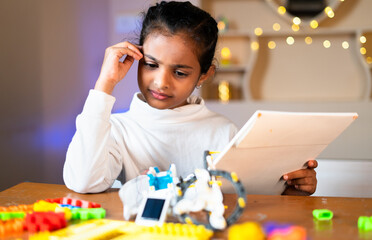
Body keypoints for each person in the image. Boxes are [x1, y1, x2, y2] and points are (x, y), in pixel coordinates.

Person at [63, 1, 317, 196]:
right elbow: (84, 182)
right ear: (137, 58)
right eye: (151, 64)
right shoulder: (118, 129)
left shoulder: (225, 133)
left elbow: (252, 199)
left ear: (204, 75)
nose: (161, 82)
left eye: (180, 72)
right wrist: (103, 85)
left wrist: (294, 188)